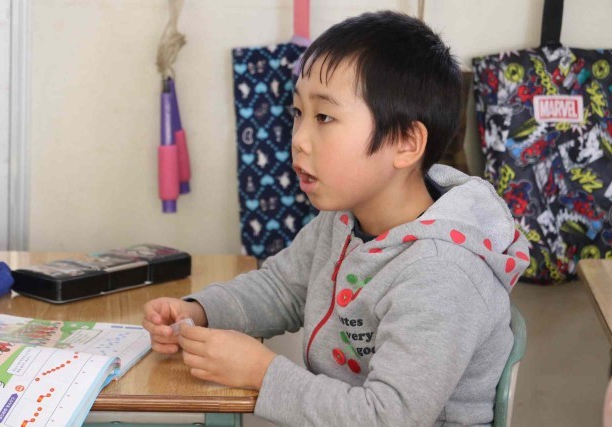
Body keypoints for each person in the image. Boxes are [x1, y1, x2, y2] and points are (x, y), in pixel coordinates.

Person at [142, 10, 530, 426]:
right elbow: (283, 288)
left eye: (324, 117)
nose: (298, 140)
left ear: (405, 142)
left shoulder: (442, 274)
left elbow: (387, 418)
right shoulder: (346, 219)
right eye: (297, 113)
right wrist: (201, 310)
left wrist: (261, 373)